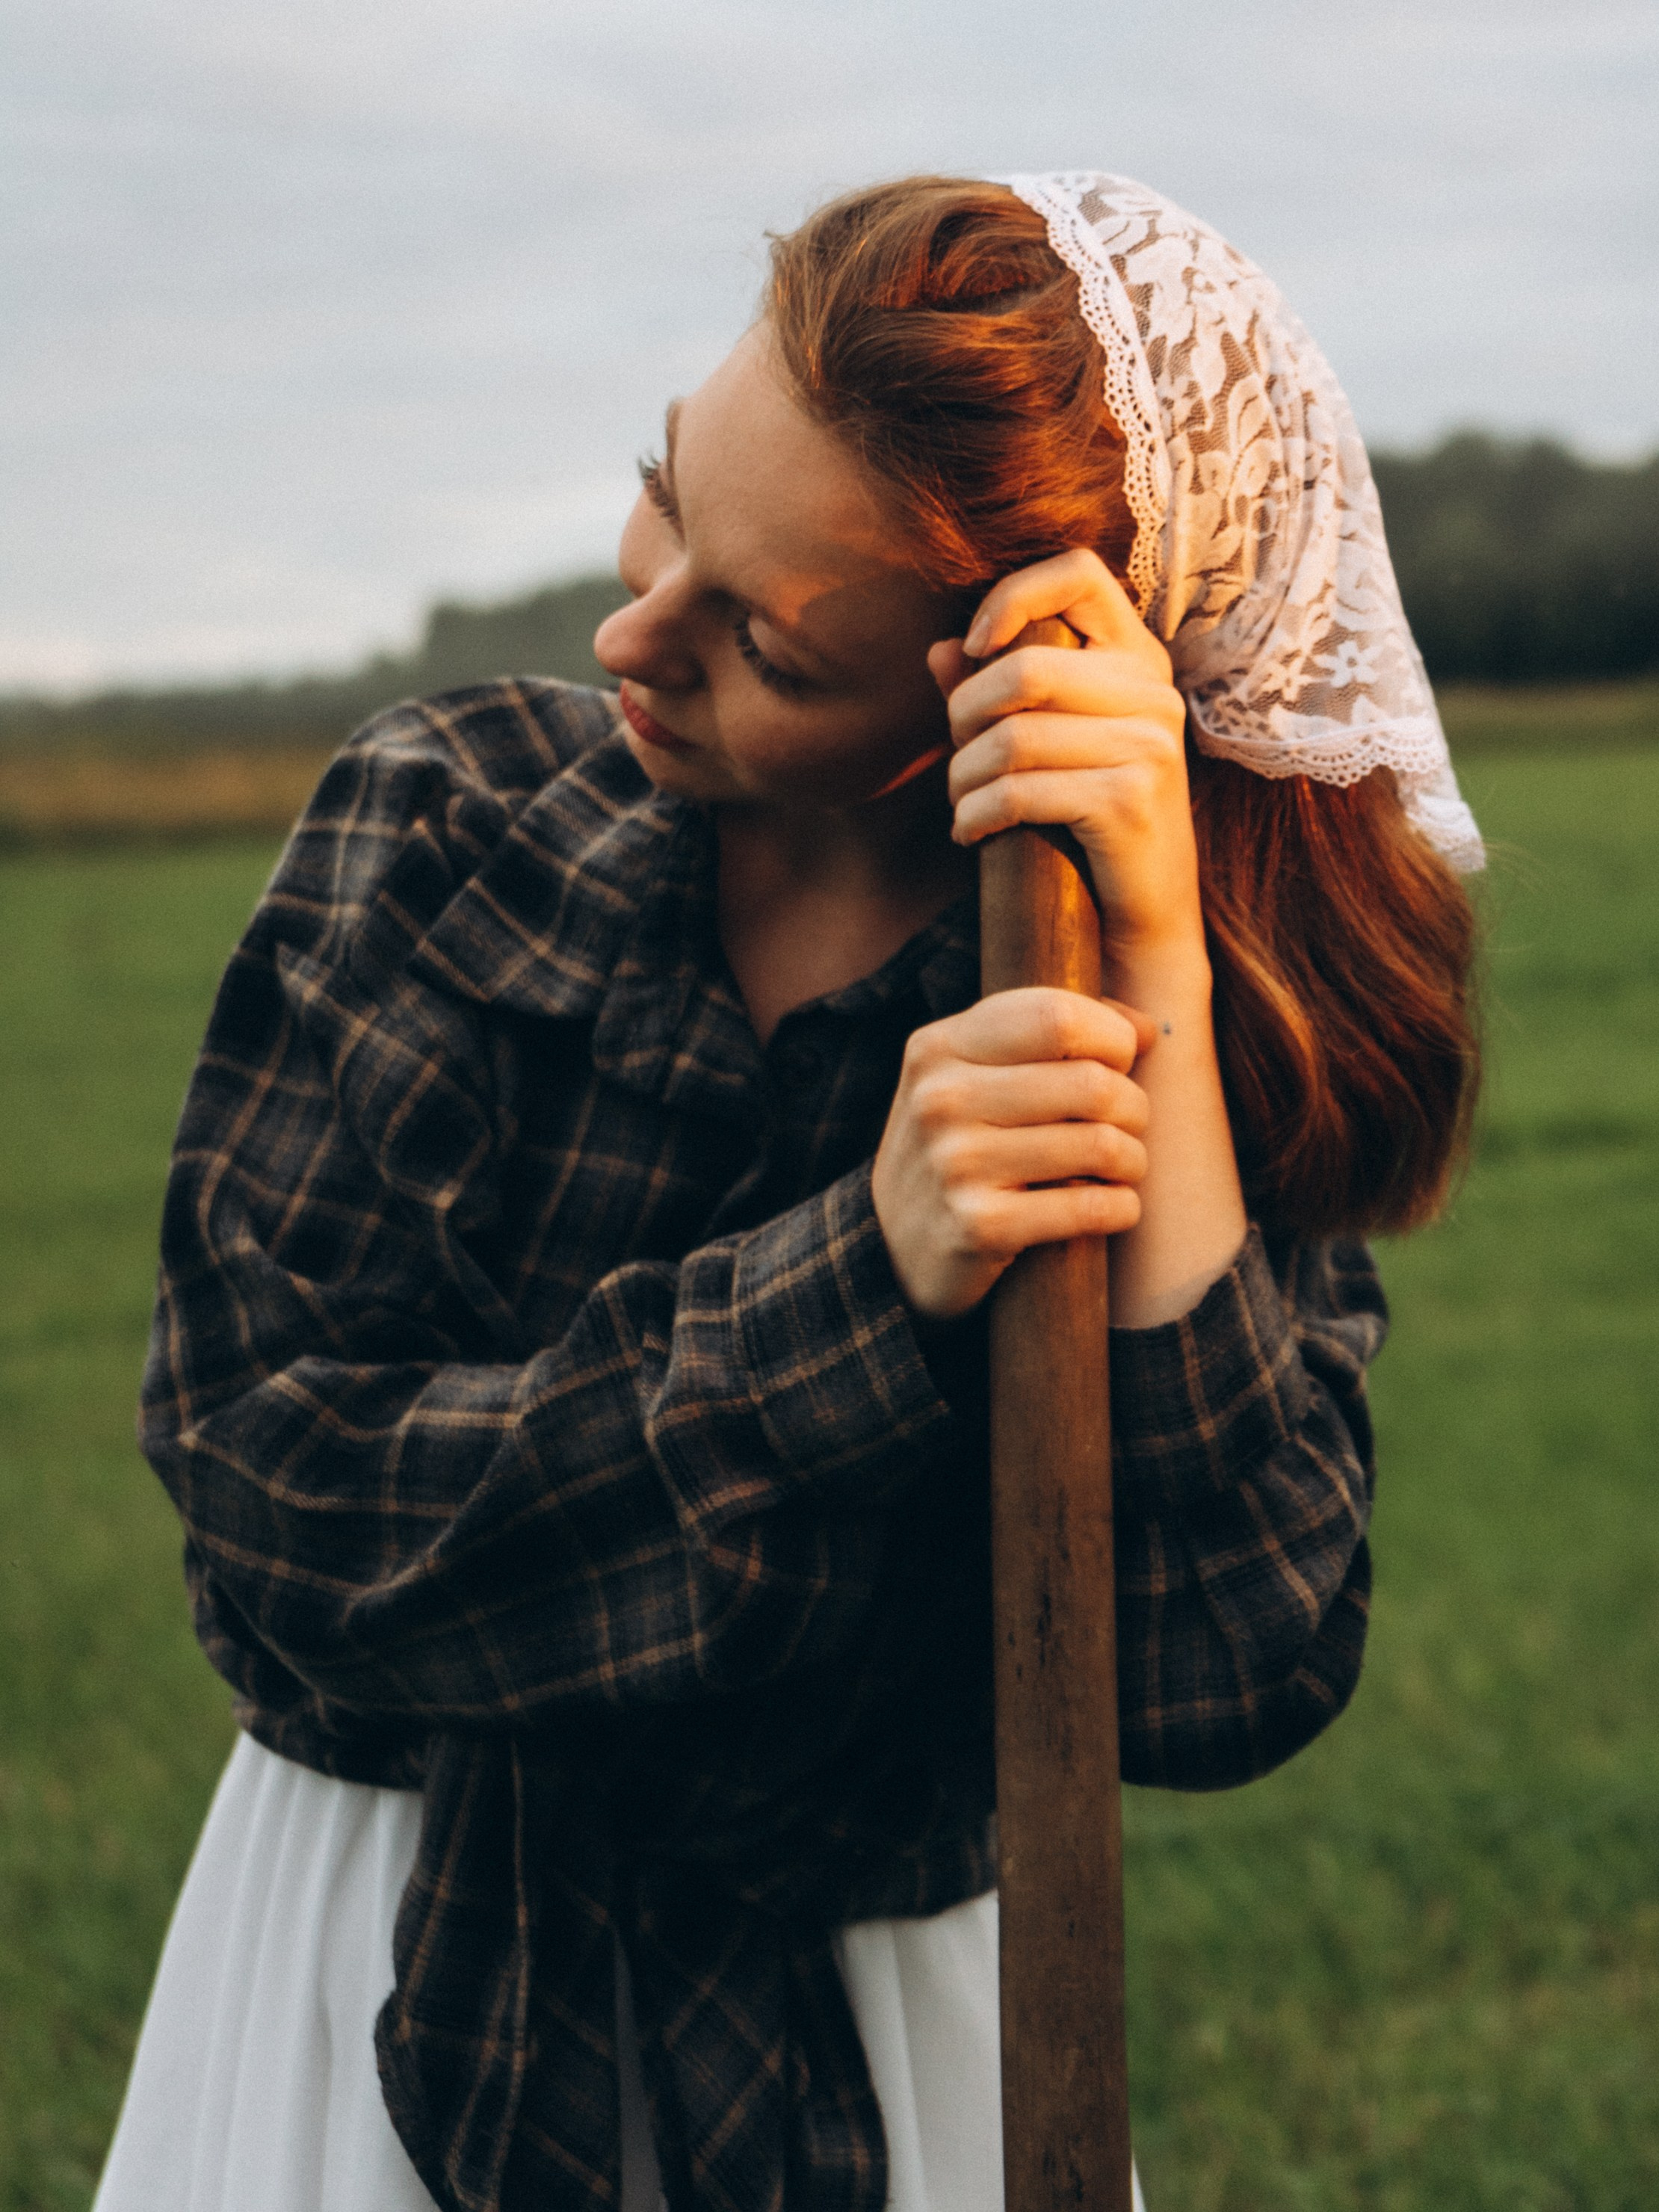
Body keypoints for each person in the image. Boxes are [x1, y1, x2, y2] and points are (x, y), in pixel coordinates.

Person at [94, 173, 1481, 2212]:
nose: (627, 634)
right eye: (663, 499)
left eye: (760, 638)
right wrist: (860, 1281)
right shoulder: (445, 820)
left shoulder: (1132, 1021)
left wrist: (1157, 974)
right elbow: (278, 1505)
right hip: (372, 1964)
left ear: (973, 710)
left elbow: (1227, 1668)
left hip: (872, 2030)